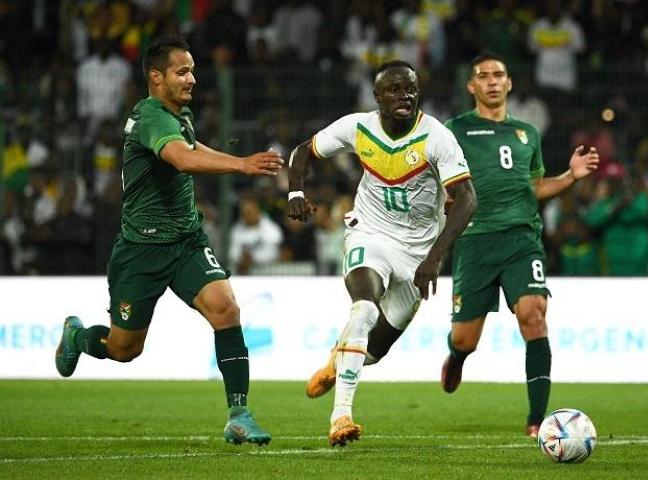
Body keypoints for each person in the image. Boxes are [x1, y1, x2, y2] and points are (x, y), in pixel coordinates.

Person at [54, 34, 283, 446]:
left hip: (186, 241)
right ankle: (78, 336)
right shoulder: (154, 118)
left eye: (193, 70)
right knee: (124, 349)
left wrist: (237, 160)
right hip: (141, 250)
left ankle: (239, 413)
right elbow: (181, 158)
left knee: (226, 309)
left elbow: (189, 145)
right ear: (156, 77)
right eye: (183, 71)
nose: (192, 78)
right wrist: (241, 165)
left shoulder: (175, 115)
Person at [287, 60, 476, 446]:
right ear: (377, 97)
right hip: (370, 235)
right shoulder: (358, 128)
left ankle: (336, 361)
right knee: (365, 309)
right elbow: (303, 151)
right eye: (394, 89)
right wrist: (295, 191)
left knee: (374, 351)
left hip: (418, 253)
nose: (404, 95)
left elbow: (468, 199)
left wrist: (434, 257)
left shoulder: (435, 137)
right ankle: (341, 418)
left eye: (410, 89)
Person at [440, 51, 600, 438]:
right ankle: (457, 356)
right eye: (484, 76)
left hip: (522, 240)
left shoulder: (527, 133)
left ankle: (538, 421)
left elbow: (534, 187)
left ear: (509, 83)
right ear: (472, 85)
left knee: (534, 315)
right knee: (466, 337)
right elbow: (439, 182)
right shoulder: (454, 130)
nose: (493, 81)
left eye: (499, 74)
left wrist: (570, 176)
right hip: (476, 241)